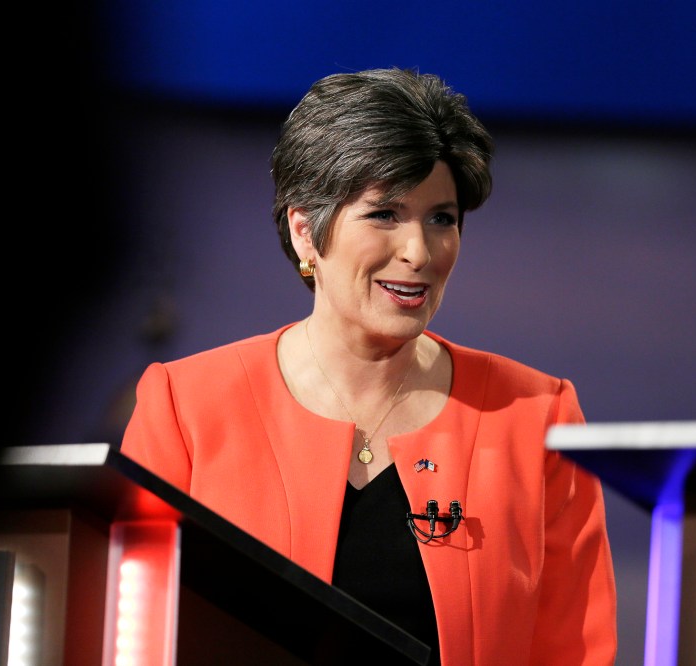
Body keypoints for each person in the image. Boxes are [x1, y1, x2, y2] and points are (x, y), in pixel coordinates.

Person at [120, 67, 617, 665]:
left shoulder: (536, 416)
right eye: (385, 214)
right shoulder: (185, 406)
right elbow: (133, 638)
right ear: (307, 232)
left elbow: (572, 650)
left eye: (442, 218)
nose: (418, 252)